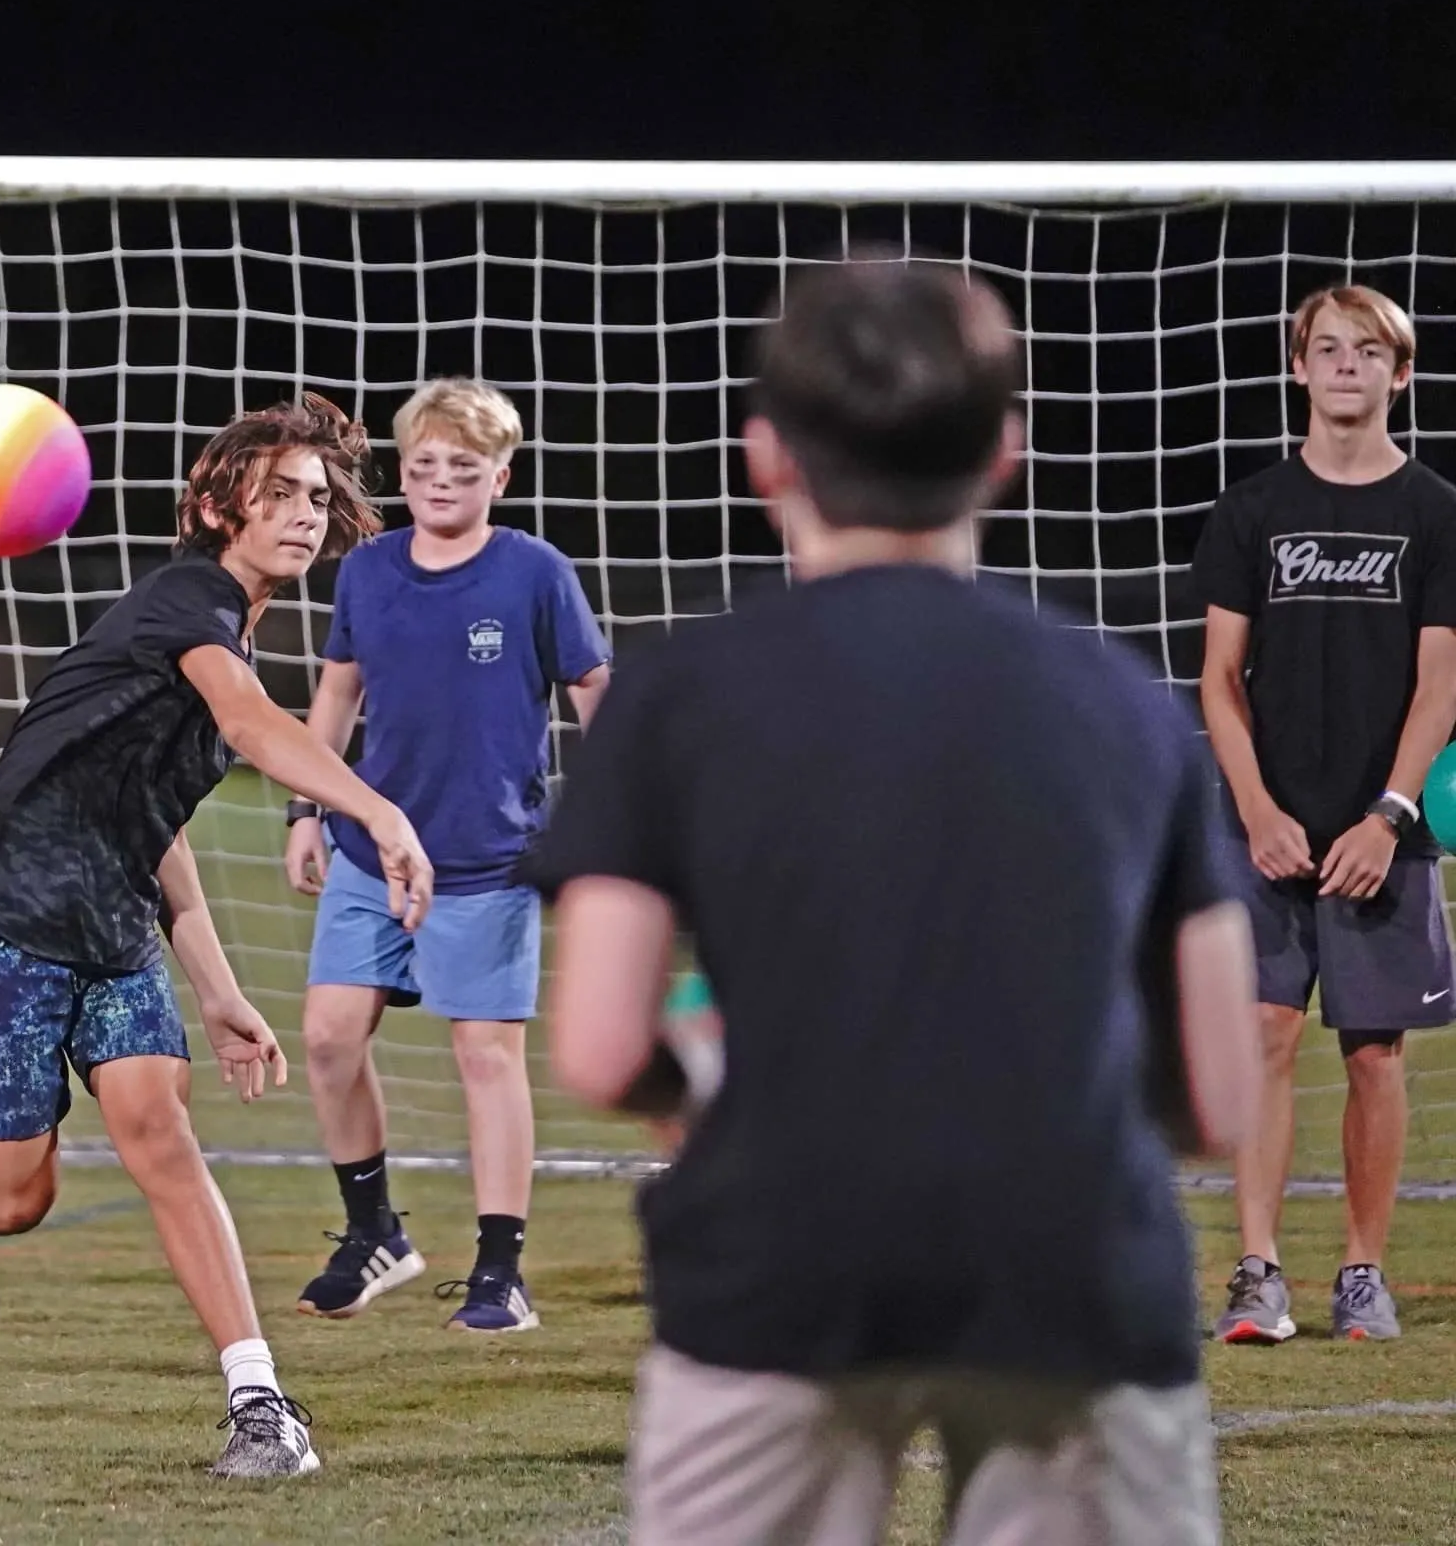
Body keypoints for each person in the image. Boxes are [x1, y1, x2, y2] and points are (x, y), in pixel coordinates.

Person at [523, 261, 1261, 1544]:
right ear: (1005, 452)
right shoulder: (1130, 704)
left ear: (767, 456)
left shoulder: (677, 693)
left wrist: (705, 1084)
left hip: (779, 1249)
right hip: (1072, 1262)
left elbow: (595, 1045)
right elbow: (1220, 1095)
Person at [0, 392, 433, 1481]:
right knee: (19, 1192)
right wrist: (375, 811)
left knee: (161, 1130)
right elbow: (249, 727)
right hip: (0, 912)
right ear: (213, 505)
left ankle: (257, 1402)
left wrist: (220, 987)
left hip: (111, 924)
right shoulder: (184, 599)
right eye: (279, 493)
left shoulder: (232, 628)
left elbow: (161, 823)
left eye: (318, 499)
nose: (303, 515)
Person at [284, 378, 610, 1331]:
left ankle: (501, 1270)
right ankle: (373, 1231)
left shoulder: (534, 572)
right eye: (422, 465)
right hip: (368, 850)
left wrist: (616, 815)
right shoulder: (368, 570)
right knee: (329, 1037)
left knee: (485, 1057)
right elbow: (336, 695)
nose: (438, 482)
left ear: (498, 477)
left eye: (461, 469)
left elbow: (596, 689)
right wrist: (307, 808)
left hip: (485, 859)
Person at [1191, 282, 1456, 1345]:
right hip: (1268, 827)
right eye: (1327, 348)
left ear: (1401, 374)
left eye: (1368, 350)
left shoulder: (1437, 512)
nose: (1346, 364)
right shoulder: (1253, 508)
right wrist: (1256, 807)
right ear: (1298, 367)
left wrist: (1388, 814)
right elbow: (1218, 676)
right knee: (1260, 1030)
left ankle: (1361, 1271)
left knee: (1375, 1052)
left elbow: (1442, 681)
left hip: (1380, 831)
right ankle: (1257, 1271)